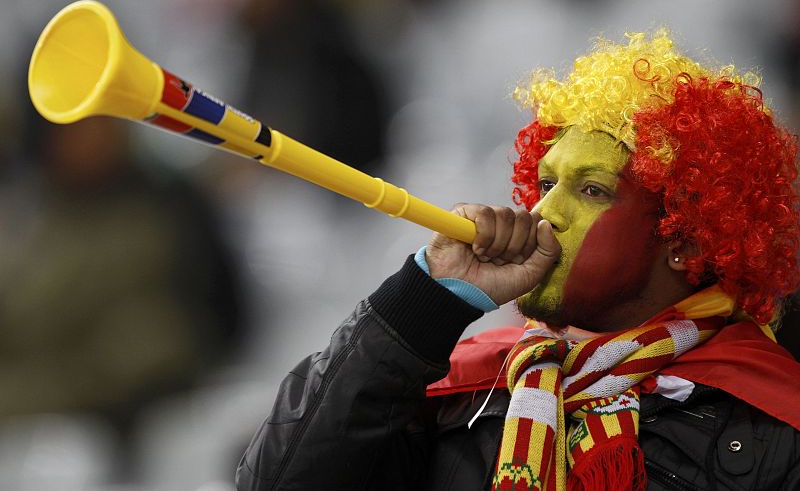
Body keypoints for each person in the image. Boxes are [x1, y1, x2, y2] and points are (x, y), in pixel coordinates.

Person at [234, 31, 800, 490]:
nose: (542, 212)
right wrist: (421, 303)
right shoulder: (465, 385)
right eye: (545, 182)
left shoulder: (773, 418)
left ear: (689, 240)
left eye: (592, 191)